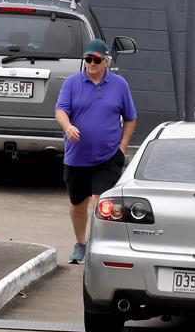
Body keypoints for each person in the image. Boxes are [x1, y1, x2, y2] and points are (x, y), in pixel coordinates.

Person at [55, 39, 137, 264]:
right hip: (77, 158)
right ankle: (81, 244)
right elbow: (60, 111)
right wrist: (68, 126)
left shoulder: (119, 85)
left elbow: (130, 118)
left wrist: (122, 146)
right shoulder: (72, 83)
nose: (91, 63)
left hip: (108, 156)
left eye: (96, 60)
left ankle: (98, 246)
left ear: (106, 61)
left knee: (100, 201)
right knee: (78, 204)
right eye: (88, 59)